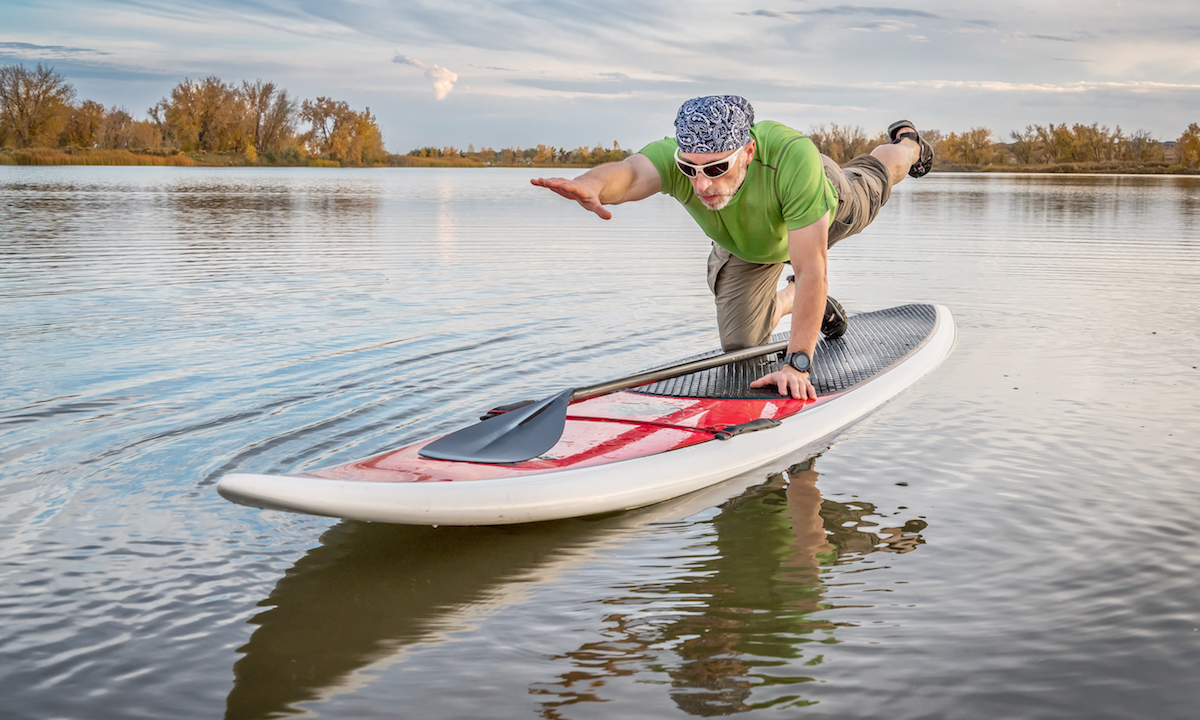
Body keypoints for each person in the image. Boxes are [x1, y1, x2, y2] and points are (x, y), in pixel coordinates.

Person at [531, 95, 933, 401]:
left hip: (822, 208)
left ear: (748, 153)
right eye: (690, 170)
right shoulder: (680, 159)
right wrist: (592, 183)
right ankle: (801, 302)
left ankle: (909, 143)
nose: (702, 184)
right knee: (743, 349)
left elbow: (813, 270)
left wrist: (798, 363)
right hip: (748, 246)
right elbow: (631, 173)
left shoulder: (794, 160)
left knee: (877, 176)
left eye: (717, 169)